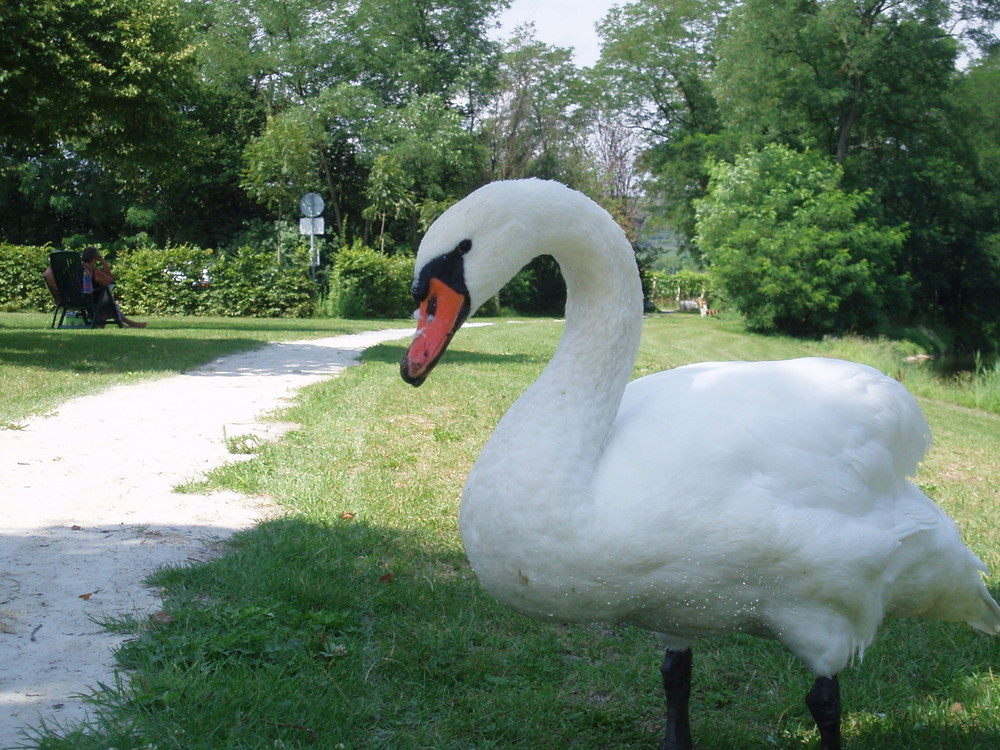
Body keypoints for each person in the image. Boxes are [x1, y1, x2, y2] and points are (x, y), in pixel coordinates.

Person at [80, 247, 147, 328]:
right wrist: (104, 263)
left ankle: (118, 324)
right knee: (108, 296)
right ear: (95, 258)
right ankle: (128, 323)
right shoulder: (94, 272)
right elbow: (110, 281)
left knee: (106, 297)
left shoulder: (76, 270)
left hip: (76, 298)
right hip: (90, 299)